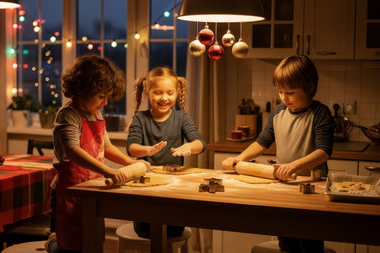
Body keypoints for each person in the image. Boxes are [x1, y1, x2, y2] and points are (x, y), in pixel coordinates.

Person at [222, 55, 334, 253]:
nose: (284, 97)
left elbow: (323, 152)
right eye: (280, 91)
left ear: (309, 87)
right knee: (287, 244)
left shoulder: (320, 113)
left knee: (309, 245)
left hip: (312, 188)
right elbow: (262, 142)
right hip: (286, 187)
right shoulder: (278, 112)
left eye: (290, 92)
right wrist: (239, 159)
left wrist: (293, 166)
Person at [52, 54, 149, 253]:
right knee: (71, 243)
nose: (105, 102)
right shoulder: (68, 114)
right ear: (82, 88)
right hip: (70, 190)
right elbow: (73, 150)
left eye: (107, 96)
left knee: (93, 239)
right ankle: (53, 243)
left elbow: (106, 146)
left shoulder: (95, 112)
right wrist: (108, 171)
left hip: (91, 188)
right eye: (101, 96)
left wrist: (128, 162)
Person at [127, 67, 206, 238]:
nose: (164, 98)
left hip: (173, 189)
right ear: (147, 93)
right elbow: (132, 147)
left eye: (170, 93)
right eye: (158, 93)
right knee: (146, 230)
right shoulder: (140, 118)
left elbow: (200, 143)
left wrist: (189, 147)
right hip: (145, 189)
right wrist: (148, 149)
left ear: (177, 93)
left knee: (173, 231)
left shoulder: (181, 118)